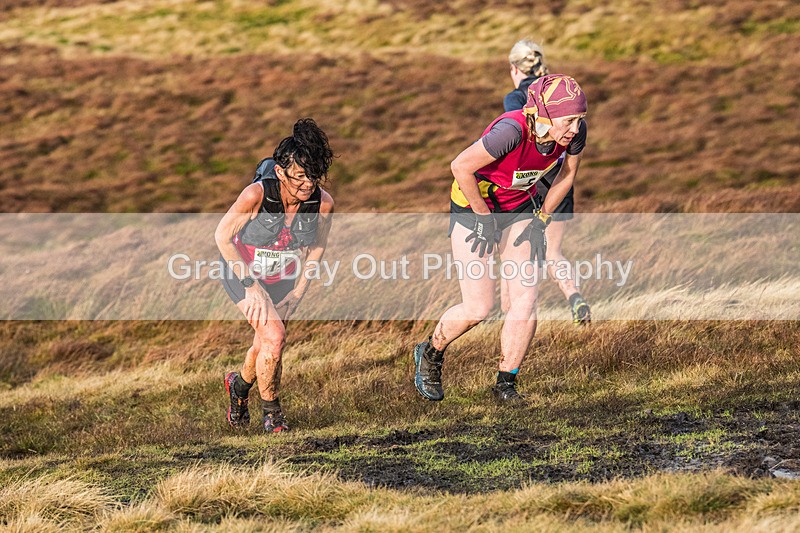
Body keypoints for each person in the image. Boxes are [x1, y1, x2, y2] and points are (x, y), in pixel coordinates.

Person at [414, 74, 588, 403]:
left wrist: (541, 218)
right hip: (473, 206)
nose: (575, 130)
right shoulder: (511, 131)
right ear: (545, 114)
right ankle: (431, 352)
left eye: (580, 120)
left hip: (518, 206)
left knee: (526, 299)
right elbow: (460, 166)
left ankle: (505, 384)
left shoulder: (571, 133)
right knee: (480, 306)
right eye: (569, 121)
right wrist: (483, 218)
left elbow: (568, 175)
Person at [215, 118, 334, 432]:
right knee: (276, 337)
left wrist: (299, 291)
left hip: (282, 277)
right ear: (281, 172)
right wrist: (250, 285)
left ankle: (238, 387)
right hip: (242, 273)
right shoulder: (256, 194)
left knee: (264, 342)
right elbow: (221, 236)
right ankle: (273, 416)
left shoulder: (322, 204)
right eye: (298, 177)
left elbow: (317, 248)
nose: (307, 184)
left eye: (313, 176)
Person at [504, 39, 591, 325]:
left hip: (531, 181)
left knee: (512, 256)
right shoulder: (559, 91)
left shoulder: (516, 99)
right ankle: (574, 296)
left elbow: (514, 143)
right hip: (561, 179)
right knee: (553, 251)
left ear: (514, 69)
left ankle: (512, 316)